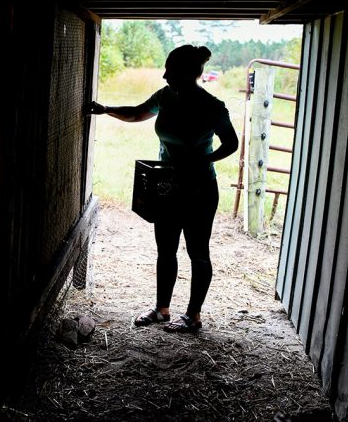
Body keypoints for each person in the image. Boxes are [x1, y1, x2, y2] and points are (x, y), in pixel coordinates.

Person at [86, 45, 238, 333]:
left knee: (198, 251)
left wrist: (203, 160)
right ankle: (161, 309)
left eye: (171, 69)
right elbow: (136, 113)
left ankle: (193, 316)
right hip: (167, 185)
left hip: (200, 189)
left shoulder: (212, 106)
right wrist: (105, 110)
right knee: (165, 250)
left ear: (188, 74)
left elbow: (231, 143)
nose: (164, 74)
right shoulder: (165, 97)